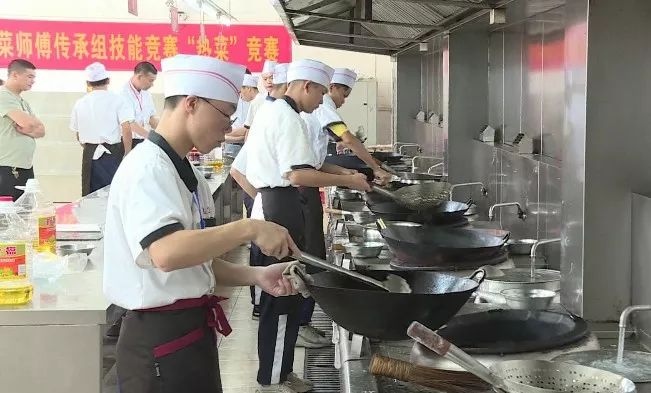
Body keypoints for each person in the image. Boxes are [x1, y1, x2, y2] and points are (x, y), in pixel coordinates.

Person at [103, 54, 302, 393]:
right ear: (191, 103)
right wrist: (249, 228)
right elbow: (166, 253)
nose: (229, 126)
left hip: (189, 331)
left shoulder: (185, 171)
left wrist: (256, 276)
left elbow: (197, 263)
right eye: (226, 113)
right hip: (158, 340)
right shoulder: (148, 169)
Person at [244, 59, 371, 393]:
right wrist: (352, 182)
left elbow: (307, 166)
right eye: (320, 93)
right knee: (283, 291)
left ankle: (278, 372)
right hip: (281, 205)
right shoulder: (286, 117)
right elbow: (298, 174)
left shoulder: (274, 112)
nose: (321, 101)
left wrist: (345, 175)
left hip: (275, 202)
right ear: (304, 86)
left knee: (284, 289)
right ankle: (275, 377)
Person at [231, 63, 289, 320]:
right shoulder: (269, 117)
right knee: (265, 259)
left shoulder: (279, 118)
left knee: (268, 263)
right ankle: (260, 306)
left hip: (270, 203)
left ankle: (262, 306)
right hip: (267, 202)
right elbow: (237, 169)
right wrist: (262, 199)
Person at [314, 68, 392, 184]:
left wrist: (343, 171)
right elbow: (349, 139)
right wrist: (376, 169)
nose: (343, 101)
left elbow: (341, 137)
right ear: (332, 87)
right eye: (344, 96)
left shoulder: (324, 105)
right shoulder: (324, 105)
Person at [70, 62, 133, 196]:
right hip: (113, 153)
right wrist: (127, 153)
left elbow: (77, 134)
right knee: (113, 194)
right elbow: (126, 128)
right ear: (108, 80)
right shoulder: (118, 100)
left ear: (88, 83)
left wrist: (89, 146)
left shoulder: (80, 103)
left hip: (89, 154)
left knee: (90, 194)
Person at [0, 59, 45, 200]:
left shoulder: (22, 102)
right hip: (8, 167)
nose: (33, 81)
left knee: (24, 211)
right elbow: (28, 123)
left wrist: (31, 127)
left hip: (24, 166)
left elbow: (41, 130)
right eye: (29, 77)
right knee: (8, 214)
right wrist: (31, 126)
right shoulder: (3, 95)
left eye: (34, 77)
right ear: (15, 75)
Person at [121, 61, 158, 149]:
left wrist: (165, 132)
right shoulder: (123, 94)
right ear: (140, 76)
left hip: (144, 139)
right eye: (150, 81)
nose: (152, 84)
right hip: (128, 142)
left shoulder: (146, 94)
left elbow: (151, 118)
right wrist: (151, 137)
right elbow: (131, 124)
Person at [223, 73, 258, 158]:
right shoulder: (229, 98)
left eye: (241, 91)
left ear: (248, 88)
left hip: (249, 145)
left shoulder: (257, 102)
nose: (240, 94)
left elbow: (248, 130)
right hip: (232, 145)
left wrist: (225, 134)